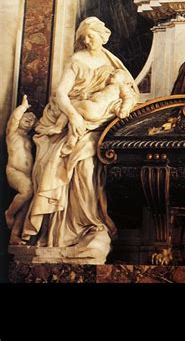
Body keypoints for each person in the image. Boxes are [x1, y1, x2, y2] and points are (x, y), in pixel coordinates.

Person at [20, 17, 139, 262]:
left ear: (103, 36)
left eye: (91, 36)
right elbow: (60, 94)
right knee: (72, 161)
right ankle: (66, 234)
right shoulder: (76, 60)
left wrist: (120, 104)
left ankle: (90, 224)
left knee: (88, 164)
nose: (86, 41)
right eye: (83, 37)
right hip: (71, 118)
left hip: (101, 125)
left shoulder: (112, 62)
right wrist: (73, 116)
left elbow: (131, 94)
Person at [5, 95, 37, 243]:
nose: (29, 122)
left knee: (27, 202)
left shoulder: (29, 139)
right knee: (28, 190)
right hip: (14, 171)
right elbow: (13, 120)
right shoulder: (12, 134)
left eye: (32, 121)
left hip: (27, 174)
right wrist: (23, 107)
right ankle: (9, 213)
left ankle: (14, 235)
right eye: (26, 119)